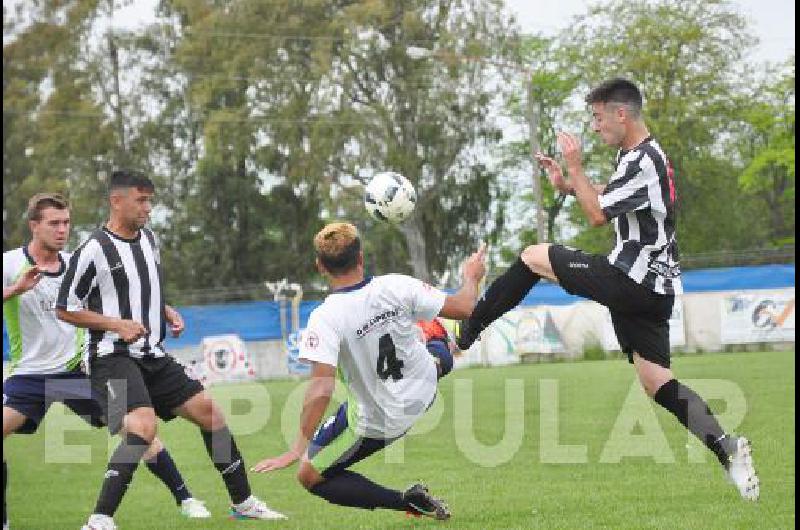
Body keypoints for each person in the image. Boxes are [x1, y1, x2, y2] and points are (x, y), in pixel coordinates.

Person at [456, 78, 759, 501]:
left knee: (531, 257)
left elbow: (598, 215)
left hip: (630, 280)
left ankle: (467, 331)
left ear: (621, 114)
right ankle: (726, 447)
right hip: (654, 290)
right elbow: (610, 198)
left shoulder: (643, 159)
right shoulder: (637, 157)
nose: (594, 127)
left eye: (598, 118)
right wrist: (568, 185)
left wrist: (576, 167)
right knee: (657, 382)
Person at [55, 171, 285, 530]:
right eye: (141, 200)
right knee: (143, 428)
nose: (149, 207)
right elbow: (65, 308)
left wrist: (166, 309)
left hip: (153, 353)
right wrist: (117, 325)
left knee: (212, 414)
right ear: (117, 201)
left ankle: (244, 502)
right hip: (109, 358)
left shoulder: (149, 238)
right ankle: (99, 520)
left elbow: (143, 288)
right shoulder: (93, 249)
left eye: (150, 199)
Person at [2, 193, 211, 530]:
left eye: (66, 223)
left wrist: (164, 309)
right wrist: (15, 290)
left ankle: (186, 499)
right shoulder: (10, 264)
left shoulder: (78, 263)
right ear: (33, 226)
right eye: (54, 223)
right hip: (30, 375)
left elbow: (124, 298)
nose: (62, 230)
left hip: (79, 370)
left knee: (138, 431)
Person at [251, 222, 486, 519]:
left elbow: (321, 389)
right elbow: (465, 306)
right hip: (423, 392)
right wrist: (471, 276)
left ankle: (406, 502)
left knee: (309, 475)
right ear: (360, 257)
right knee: (430, 346)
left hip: (376, 421)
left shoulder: (325, 318)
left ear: (320, 266)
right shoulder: (397, 285)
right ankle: (439, 342)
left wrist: (297, 447)